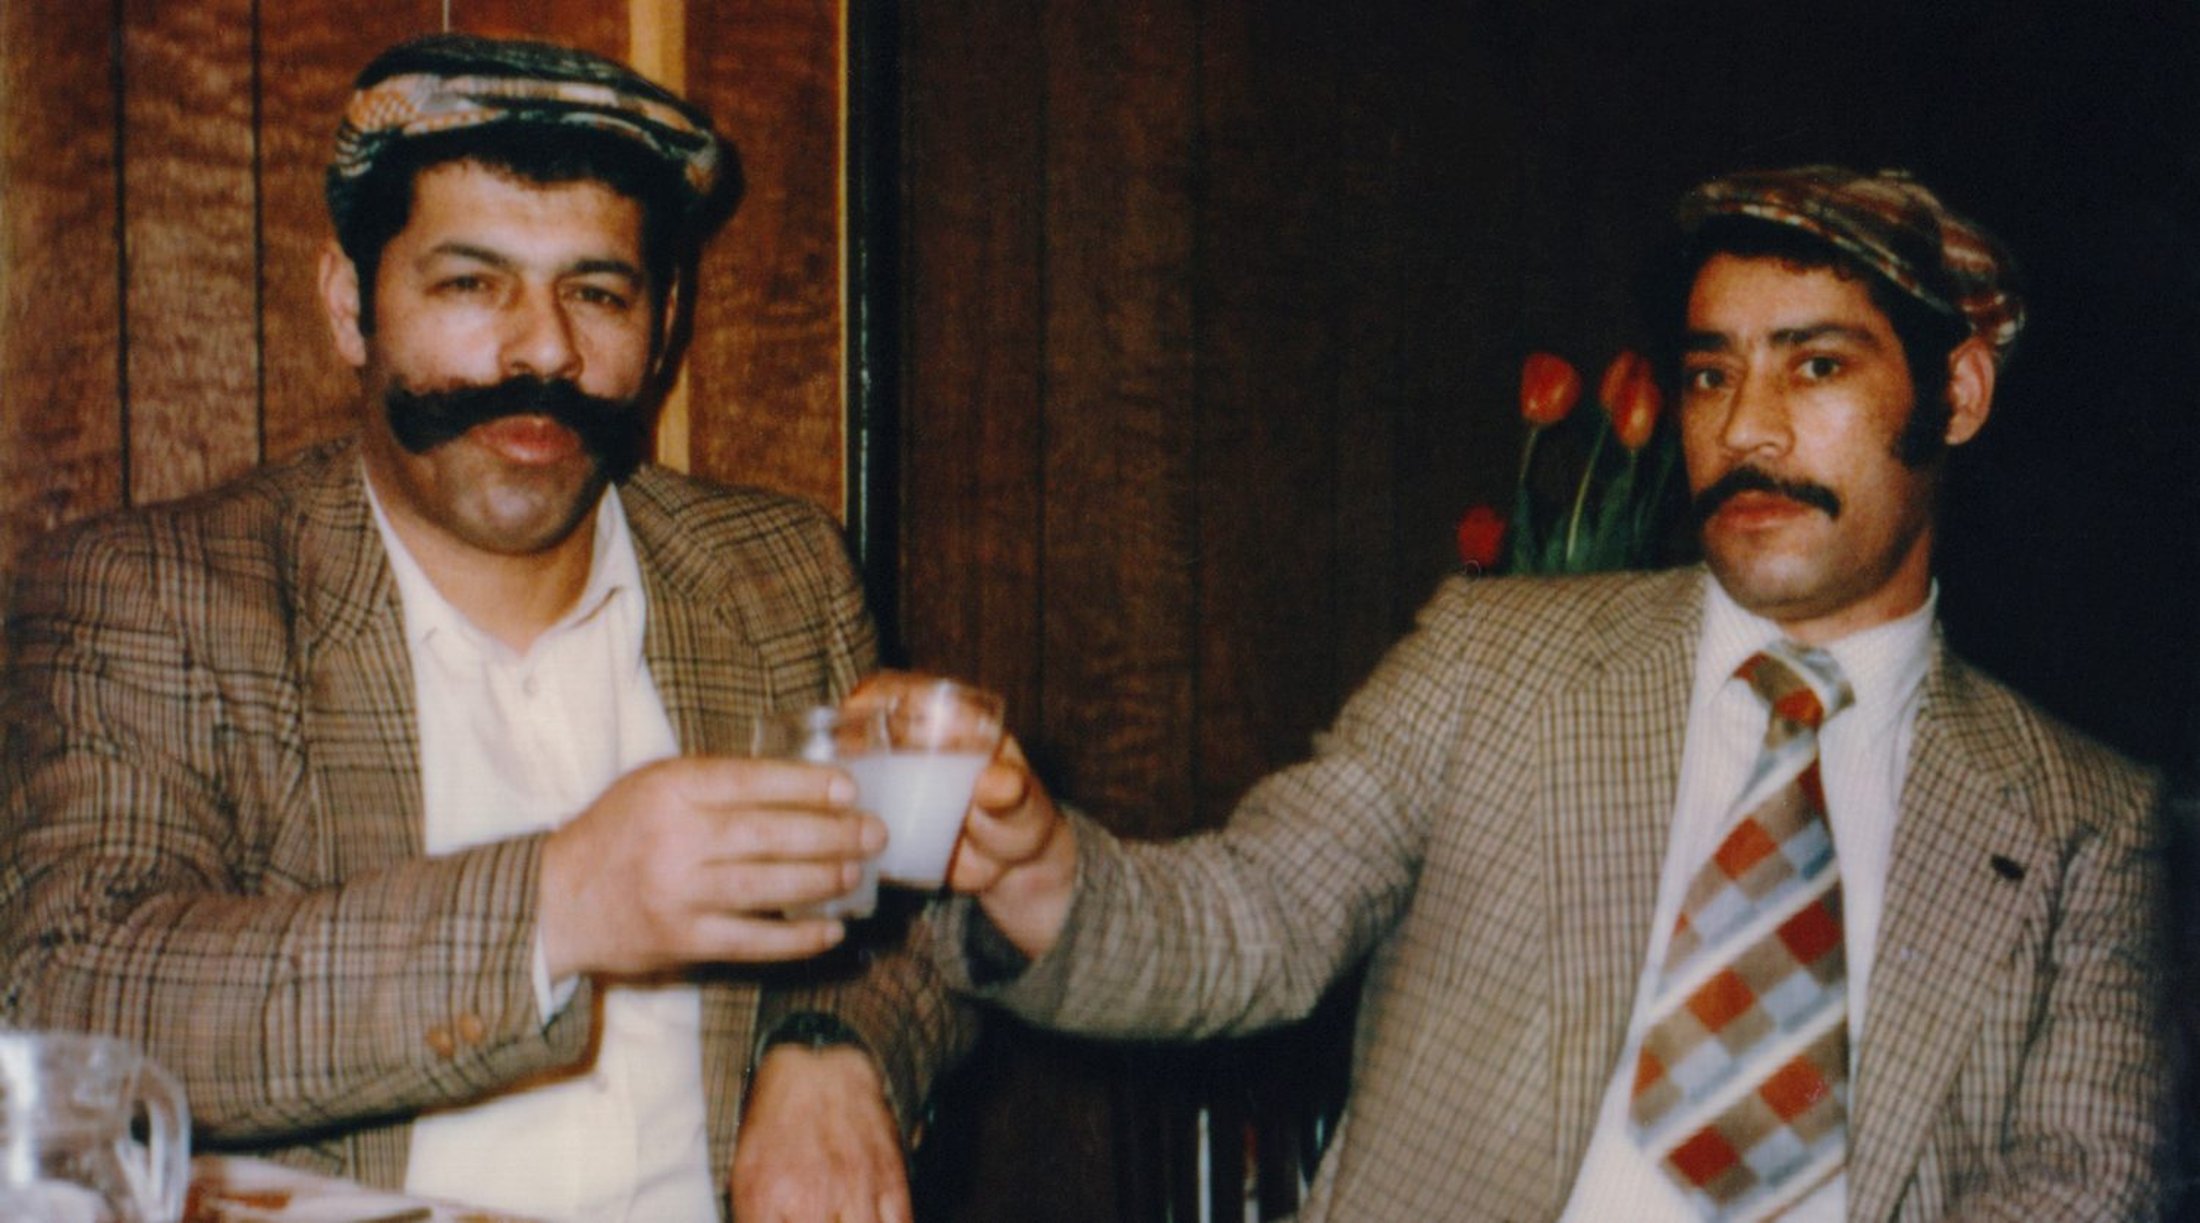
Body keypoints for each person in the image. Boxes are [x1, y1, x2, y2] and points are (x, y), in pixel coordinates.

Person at [920, 166, 2167, 1220]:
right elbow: (1256, 916)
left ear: (1956, 395)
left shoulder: (2083, 819)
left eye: (1816, 366)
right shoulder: (1496, 660)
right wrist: (1040, 875)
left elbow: (2084, 1182)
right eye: (1709, 375)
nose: (1747, 430)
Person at [0, 33, 970, 1223]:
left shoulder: (781, 575)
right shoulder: (160, 592)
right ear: (350, 306)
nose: (545, 348)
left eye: (597, 293)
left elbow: (915, 915)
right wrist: (561, 903)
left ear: (664, 325)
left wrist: (836, 1046)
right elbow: (69, 991)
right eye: (471, 284)